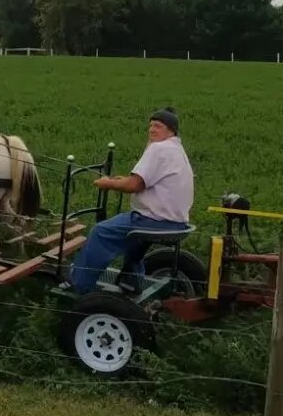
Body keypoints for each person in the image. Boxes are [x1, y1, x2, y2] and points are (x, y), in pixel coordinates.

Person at [65, 106, 194, 294]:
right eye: (150, 126)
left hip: (155, 220)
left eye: (157, 126)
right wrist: (121, 180)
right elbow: (145, 181)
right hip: (176, 221)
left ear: (170, 131)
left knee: (101, 232)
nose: (152, 130)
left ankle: (79, 284)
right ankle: (130, 280)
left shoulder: (159, 149)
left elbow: (134, 185)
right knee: (135, 239)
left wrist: (108, 183)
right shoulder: (176, 149)